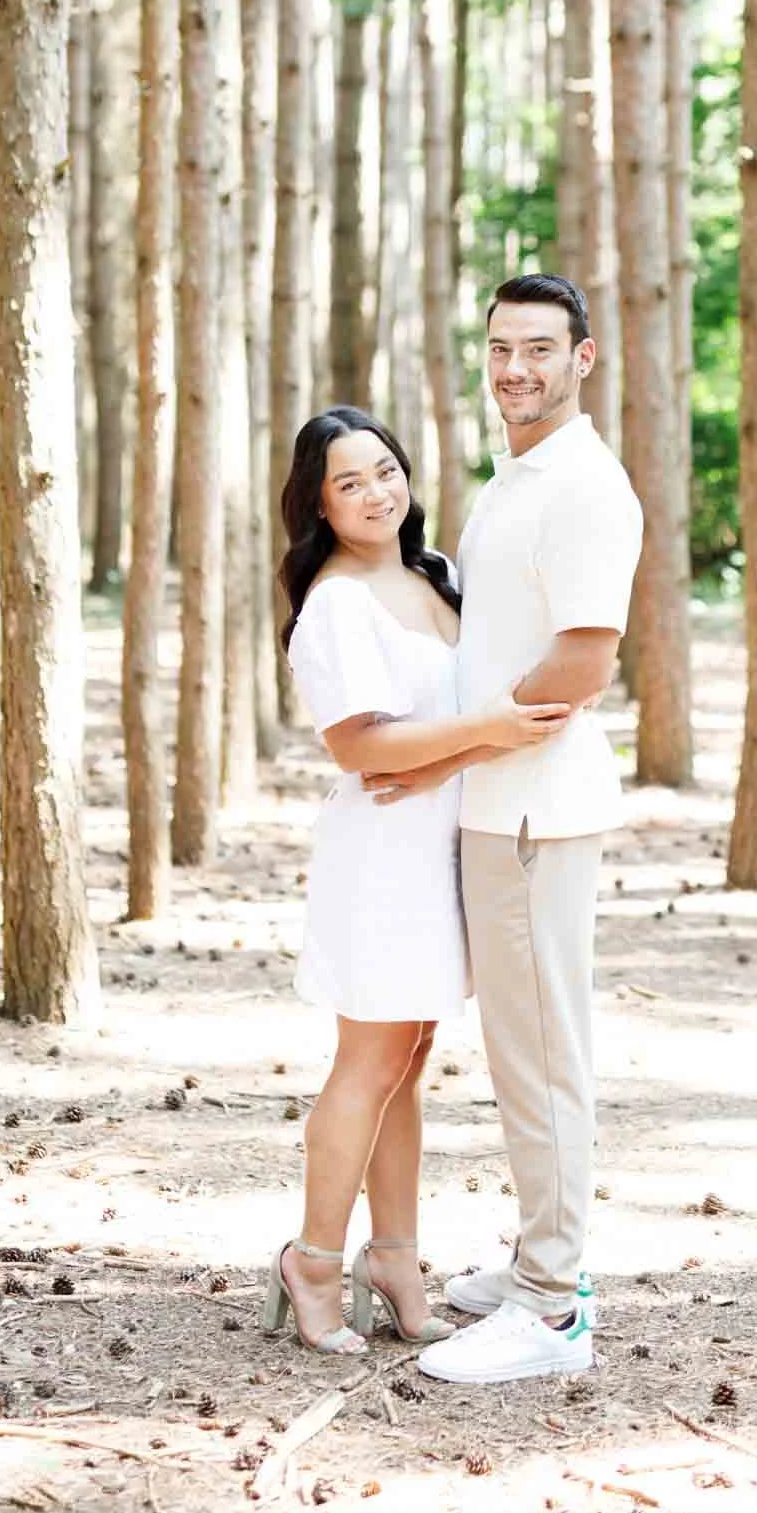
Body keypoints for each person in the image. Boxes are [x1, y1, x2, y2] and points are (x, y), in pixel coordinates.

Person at [263, 404, 574, 1356]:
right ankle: (313, 1260)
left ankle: (393, 1259)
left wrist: (467, 752)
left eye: (384, 470)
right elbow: (360, 747)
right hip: (384, 851)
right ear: (317, 504)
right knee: (368, 1062)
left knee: (406, 1068)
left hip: (445, 842)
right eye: (347, 482)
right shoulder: (336, 602)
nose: (374, 493)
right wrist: (484, 734)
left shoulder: (434, 578)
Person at [415, 275, 643, 1386]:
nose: (514, 368)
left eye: (539, 350)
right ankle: (536, 1262)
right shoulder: (515, 478)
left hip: (533, 811)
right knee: (519, 1056)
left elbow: (581, 663)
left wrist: (448, 750)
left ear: (583, 359)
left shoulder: (584, 488)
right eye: (501, 347)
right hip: (494, 807)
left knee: (545, 1056)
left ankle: (554, 1308)